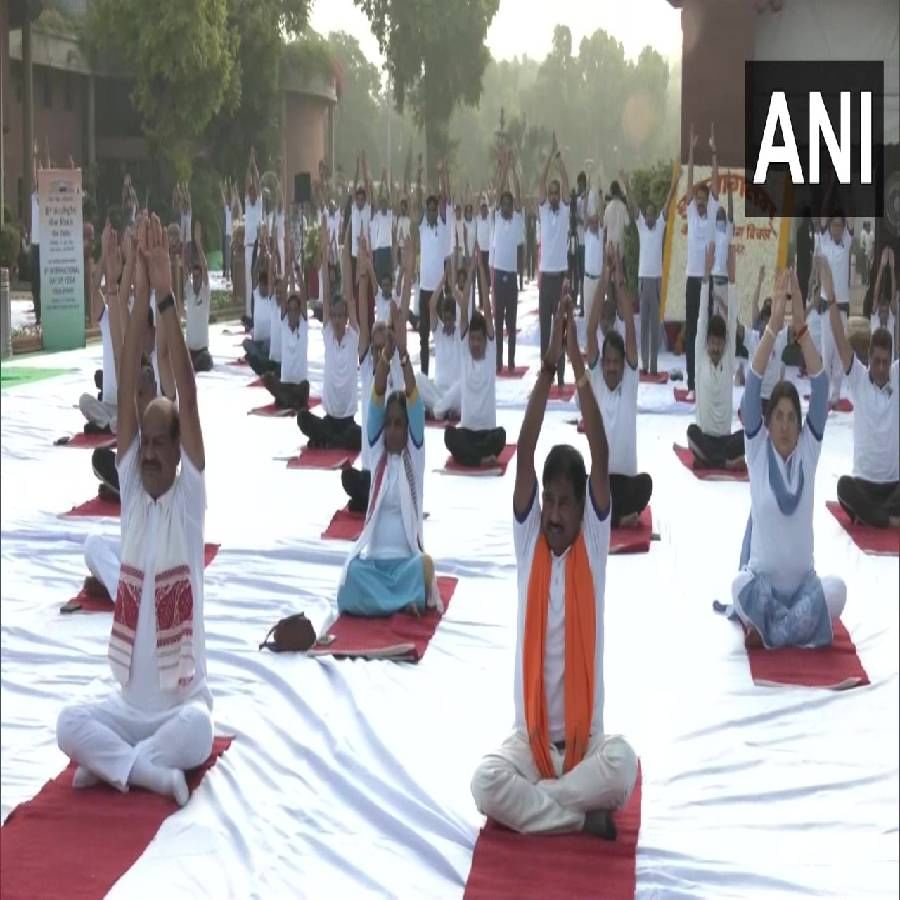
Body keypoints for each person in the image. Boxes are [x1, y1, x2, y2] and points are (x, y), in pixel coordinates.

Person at [57, 213, 213, 807]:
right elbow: (125, 388)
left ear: (179, 452)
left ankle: (116, 767)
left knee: (199, 732)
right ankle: (145, 773)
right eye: (142, 443)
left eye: (158, 444)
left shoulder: (188, 502)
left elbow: (188, 396)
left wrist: (164, 292)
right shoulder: (131, 496)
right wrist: (129, 290)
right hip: (127, 706)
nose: (146, 452)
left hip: (180, 708)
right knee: (68, 721)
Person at [470, 292, 637, 837]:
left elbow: (604, 457)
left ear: (581, 506)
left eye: (568, 503)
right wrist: (547, 368)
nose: (558, 514)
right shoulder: (530, 545)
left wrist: (580, 368)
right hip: (532, 739)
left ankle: (546, 808)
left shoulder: (592, 542)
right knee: (485, 782)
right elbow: (523, 447)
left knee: (626, 764)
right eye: (552, 502)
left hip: (588, 742)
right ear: (541, 502)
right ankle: (574, 815)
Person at [727, 268, 846, 648]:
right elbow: (752, 388)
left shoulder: (807, 453)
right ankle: (791, 628)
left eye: (792, 417)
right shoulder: (758, 451)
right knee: (739, 584)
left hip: (803, 591)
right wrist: (773, 327)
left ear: (800, 423)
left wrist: (800, 328)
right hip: (762, 585)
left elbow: (823, 384)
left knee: (837, 590)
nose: (784, 425)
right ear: (767, 421)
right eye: (777, 416)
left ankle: (773, 629)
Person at [336, 290, 438, 617]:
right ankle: (398, 602)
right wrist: (385, 356)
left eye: (399, 425)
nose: (394, 430)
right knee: (350, 577)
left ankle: (387, 602)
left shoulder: (414, 456)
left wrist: (403, 358)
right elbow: (377, 397)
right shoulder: (378, 452)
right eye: (390, 425)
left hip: (406, 560)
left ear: (408, 429)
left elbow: (415, 401)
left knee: (424, 567)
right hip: (374, 563)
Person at [818, 257, 900, 529]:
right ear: (869, 358)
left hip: (893, 488)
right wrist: (831, 299)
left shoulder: (897, 376)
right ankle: (885, 519)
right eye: (876, 361)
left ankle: (875, 517)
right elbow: (841, 339)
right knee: (843, 487)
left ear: (891, 360)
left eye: (885, 362)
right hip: (863, 486)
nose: (880, 367)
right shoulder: (859, 379)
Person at [342, 242, 411, 512]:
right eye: (375, 341)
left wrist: (406, 272)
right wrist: (362, 275)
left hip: (391, 466)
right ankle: (370, 496)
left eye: (384, 341)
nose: (379, 346)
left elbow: (400, 314)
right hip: (371, 467)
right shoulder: (366, 363)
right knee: (350, 477)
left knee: (380, 489)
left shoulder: (394, 364)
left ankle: (374, 497)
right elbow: (361, 312)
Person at [586, 254, 652, 527]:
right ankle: (616, 518)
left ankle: (609, 517)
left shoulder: (630, 382)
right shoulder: (597, 379)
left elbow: (631, 328)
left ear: (624, 363)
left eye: (616, 362)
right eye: (608, 362)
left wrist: (620, 282)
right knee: (580, 481)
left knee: (645, 484)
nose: (612, 367)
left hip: (625, 485)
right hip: (601, 480)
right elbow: (590, 332)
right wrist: (604, 279)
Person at [297, 236, 362, 450]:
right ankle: (330, 440)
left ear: (346, 318)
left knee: (360, 436)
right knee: (303, 418)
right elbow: (325, 294)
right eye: (333, 316)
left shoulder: (353, 337)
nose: (336, 320)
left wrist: (346, 258)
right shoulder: (327, 335)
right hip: (329, 419)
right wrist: (324, 257)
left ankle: (327, 441)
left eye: (340, 316)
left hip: (348, 422)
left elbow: (351, 299)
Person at [444, 253, 507, 467]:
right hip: (468, 432)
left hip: (488, 433)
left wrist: (481, 270)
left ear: (485, 340)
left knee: (501, 436)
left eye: (479, 339)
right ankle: (480, 458)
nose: (476, 344)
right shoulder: (464, 351)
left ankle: (473, 457)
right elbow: (463, 313)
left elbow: (488, 312)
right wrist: (470, 271)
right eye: (473, 339)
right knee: (450, 436)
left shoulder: (489, 354)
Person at [686, 244, 744, 469]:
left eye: (720, 343)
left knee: (750, 435)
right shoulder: (701, 357)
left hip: (725, 440)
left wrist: (732, 279)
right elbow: (702, 317)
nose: (716, 347)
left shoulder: (729, 359)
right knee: (691, 432)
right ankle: (723, 462)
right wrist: (706, 276)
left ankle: (713, 460)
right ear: (707, 341)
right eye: (712, 342)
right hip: (704, 436)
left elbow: (731, 320)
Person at [620, 166, 677, 376]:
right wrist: (626, 182)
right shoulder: (642, 226)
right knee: (643, 325)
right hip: (644, 280)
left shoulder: (661, 225)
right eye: (649, 214)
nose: (652, 217)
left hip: (657, 281)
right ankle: (643, 365)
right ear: (646, 216)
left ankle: (653, 366)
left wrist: (674, 181)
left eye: (654, 214)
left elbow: (668, 202)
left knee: (654, 326)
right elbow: (633, 205)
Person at [416, 253, 477, 423]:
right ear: (443, 317)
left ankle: (438, 410)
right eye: (446, 318)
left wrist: (452, 285)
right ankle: (441, 408)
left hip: (455, 393)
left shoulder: (461, 333)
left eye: (451, 319)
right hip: (438, 391)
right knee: (418, 379)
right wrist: (442, 282)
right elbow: (431, 305)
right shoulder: (438, 332)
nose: (448, 322)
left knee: (464, 385)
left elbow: (464, 307)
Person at [684, 123, 720, 402]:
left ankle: (708, 379)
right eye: (696, 197)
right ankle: (692, 382)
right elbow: (688, 181)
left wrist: (714, 153)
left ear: (708, 201)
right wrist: (693, 152)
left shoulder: (712, 213)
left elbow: (717, 184)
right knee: (692, 329)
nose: (698, 201)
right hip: (692, 279)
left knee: (708, 331)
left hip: (708, 281)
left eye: (702, 198)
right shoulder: (692, 216)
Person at [80, 223, 126, 435]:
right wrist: (104, 255)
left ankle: (108, 425)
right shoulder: (106, 315)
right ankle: (107, 425)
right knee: (84, 401)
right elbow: (93, 287)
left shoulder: (131, 313)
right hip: (107, 404)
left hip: (128, 404)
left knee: (122, 420)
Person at [538, 133, 571, 387]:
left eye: (555, 192)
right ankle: (545, 375)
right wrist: (549, 158)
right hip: (545, 278)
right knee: (544, 329)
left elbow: (568, 182)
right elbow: (540, 181)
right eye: (550, 192)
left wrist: (560, 164)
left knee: (560, 329)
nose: (552, 195)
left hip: (560, 278)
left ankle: (560, 376)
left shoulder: (564, 213)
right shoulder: (543, 210)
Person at [415, 159, 449, 376]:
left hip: (439, 290)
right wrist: (419, 178)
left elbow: (444, 198)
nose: (431, 212)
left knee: (445, 334)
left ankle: (445, 372)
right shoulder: (422, 227)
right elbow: (417, 201)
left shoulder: (443, 225)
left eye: (434, 209)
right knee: (424, 338)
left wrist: (442, 174)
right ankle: (425, 375)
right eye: (428, 210)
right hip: (424, 290)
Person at [493, 148, 524, 373]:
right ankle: (497, 361)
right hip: (497, 274)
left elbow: (520, 196)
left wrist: (513, 170)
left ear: (512, 207)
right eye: (502, 203)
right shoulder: (496, 217)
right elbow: (497, 193)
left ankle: (511, 361)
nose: (505, 207)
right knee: (497, 322)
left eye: (508, 204)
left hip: (511, 276)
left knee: (511, 324)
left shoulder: (517, 221)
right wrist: (503, 169)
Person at [740, 266, 788, 415]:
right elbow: (754, 304)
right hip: (755, 395)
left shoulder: (779, 336)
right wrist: (759, 281)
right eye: (765, 319)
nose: (767, 324)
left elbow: (780, 315)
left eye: (770, 319)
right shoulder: (753, 335)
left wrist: (781, 293)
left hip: (772, 397)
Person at [242, 233, 276, 376]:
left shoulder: (271, 297)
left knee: (267, 349)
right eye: (261, 286)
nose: (262, 288)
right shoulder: (256, 293)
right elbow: (254, 272)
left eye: (265, 286)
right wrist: (261, 254)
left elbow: (272, 273)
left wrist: (268, 256)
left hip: (268, 343)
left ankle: (260, 361)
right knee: (246, 343)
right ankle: (260, 361)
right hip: (257, 342)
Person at [185, 221, 212, 373]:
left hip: (202, 350)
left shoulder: (205, 292)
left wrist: (198, 244)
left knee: (204, 362)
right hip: (189, 350)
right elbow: (184, 266)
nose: (195, 279)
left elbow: (205, 267)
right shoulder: (188, 289)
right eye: (193, 276)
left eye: (198, 276)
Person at [243, 147, 263, 327]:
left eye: (254, 191)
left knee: (256, 277)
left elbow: (255, 180)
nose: (252, 193)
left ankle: (257, 311)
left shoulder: (259, 205)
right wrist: (248, 166)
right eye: (250, 192)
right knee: (248, 280)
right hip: (247, 246)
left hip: (257, 245)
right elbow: (247, 181)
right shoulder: (248, 205)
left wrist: (253, 164)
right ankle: (249, 314)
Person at [710, 177, 734, 319]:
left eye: (722, 213)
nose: (720, 214)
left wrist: (730, 191)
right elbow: (713, 206)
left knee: (725, 317)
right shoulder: (713, 231)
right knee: (715, 318)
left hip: (725, 281)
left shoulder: (727, 231)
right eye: (718, 213)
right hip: (714, 279)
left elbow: (731, 211)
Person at [870, 247, 897, 354]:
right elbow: (875, 296)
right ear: (878, 311)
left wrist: (891, 268)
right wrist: (881, 267)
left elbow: (893, 297)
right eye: (883, 310)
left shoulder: (890, 321)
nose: (885, 313)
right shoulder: (875, 321)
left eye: (886, 311)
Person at [370, 169, 395, 283]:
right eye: (382, 204)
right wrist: (381, 180)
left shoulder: (390, 215)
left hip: (387, 249)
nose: (384, 205)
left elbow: (389, 198)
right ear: (381, 205)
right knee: (379, 274)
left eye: (385, 204)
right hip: (379, 249)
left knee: (388, 274)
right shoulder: (377, 215)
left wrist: (385, 182)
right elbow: (379, 197)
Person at [221, 178, 233, 282]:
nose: (228, 201)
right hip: (227, 234)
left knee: (230, 255)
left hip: (231, 234)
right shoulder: (227, 209)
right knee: (227, 254)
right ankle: (227, 272)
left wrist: (230, 187)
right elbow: (224, 199)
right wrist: (223, 188)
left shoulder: (232, 209)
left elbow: (231, 198)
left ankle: (229, 273)